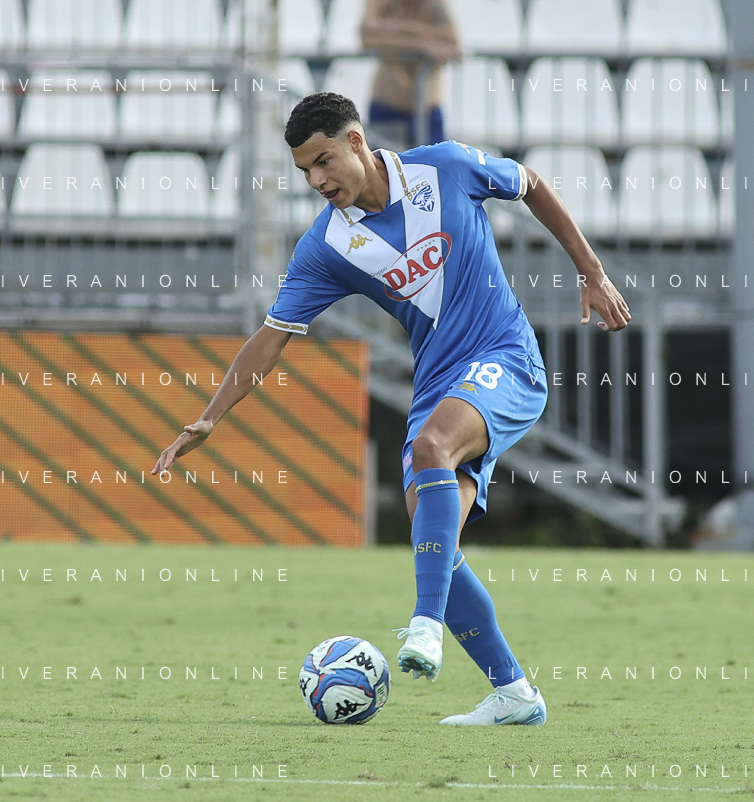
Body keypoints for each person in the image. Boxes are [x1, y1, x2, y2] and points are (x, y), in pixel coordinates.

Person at [152, 93, 630, 724]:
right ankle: (515, 694)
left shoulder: (445, 167)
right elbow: (272, 336)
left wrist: (592, 271)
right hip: (438, 385)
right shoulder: (326, 246)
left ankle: (424, 625)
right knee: (434, 540)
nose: (317, 180)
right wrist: (212, 415)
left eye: (323, 161)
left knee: (432, 449)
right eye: (304, 171)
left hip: (506, 357)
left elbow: (532, 185)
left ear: (356, 142)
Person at [359, 0, 459, 148]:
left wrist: (398, 31)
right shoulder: (380, 2)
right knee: (383, 162)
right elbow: (367, 37)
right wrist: (422, 42)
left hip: (429, 110)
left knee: (433, 162)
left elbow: (453, 42)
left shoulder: (437, 4)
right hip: (386, 108)